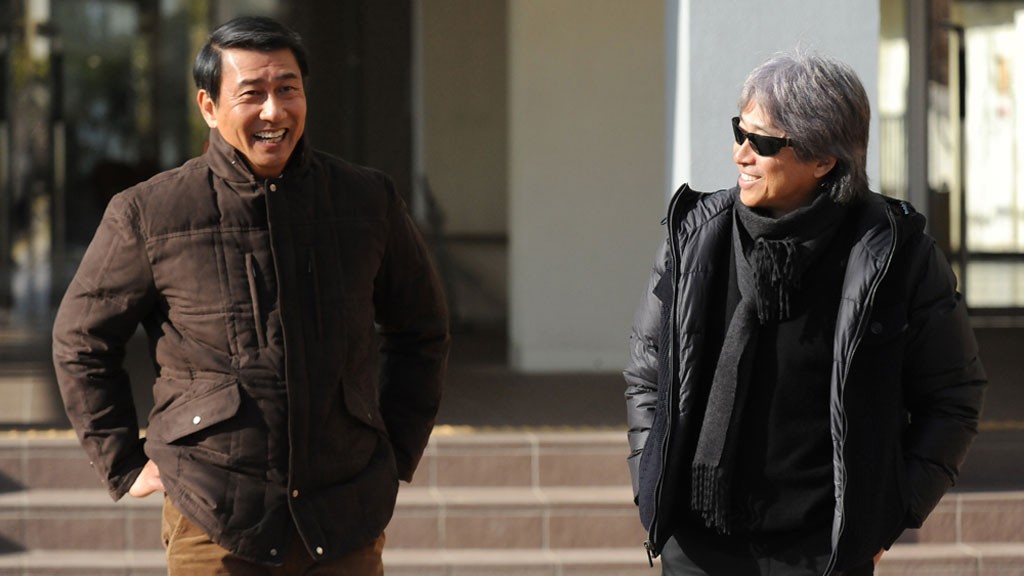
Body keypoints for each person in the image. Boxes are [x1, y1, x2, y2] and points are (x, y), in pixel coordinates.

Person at [52, 15, 449, 576]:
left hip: (344, 517)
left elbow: (422, 330)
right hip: (213, 519)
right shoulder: (150, 213)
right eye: (252, 94)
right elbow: (81, 340)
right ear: (209, 107)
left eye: (288, 89)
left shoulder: (366, 200)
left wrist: (397, 448)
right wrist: (123, 462)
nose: (273, 111)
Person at [623, 51, 986, 576]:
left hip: (823, 553)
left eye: (763, 142)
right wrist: (651, 484)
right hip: (698, 547)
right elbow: (646, 374)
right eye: (740, 132)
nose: (740, 154)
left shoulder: (893, 254)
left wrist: (888, 517)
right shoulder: (696, 239)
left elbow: (953, 397)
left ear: (823, 160)